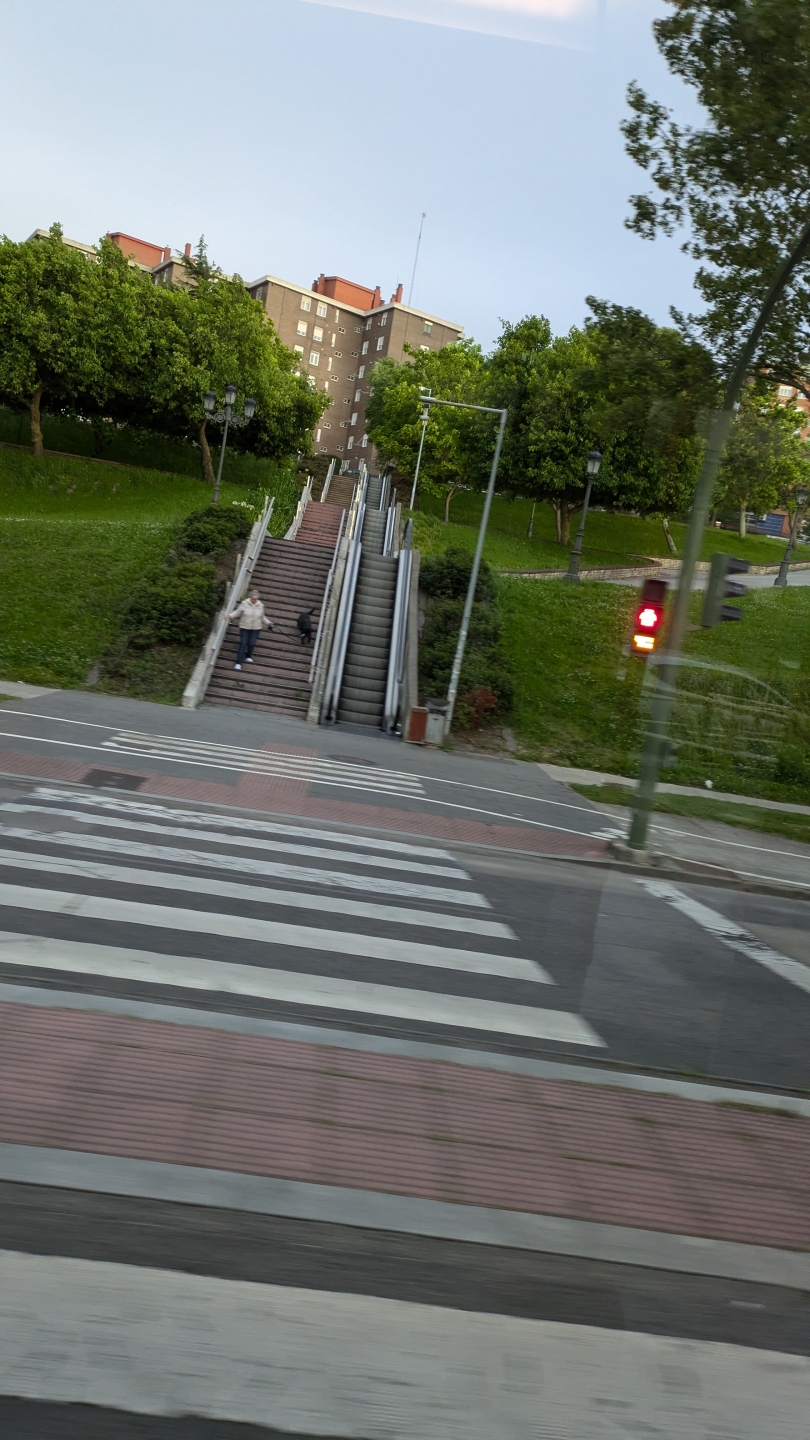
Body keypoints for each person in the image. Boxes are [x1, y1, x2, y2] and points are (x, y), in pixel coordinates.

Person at [228, 590, 273, 670]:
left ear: (258, 598)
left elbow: (262, 617)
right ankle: (238, 663)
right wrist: (230, 616)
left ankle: (248, 655)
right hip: (245, 627)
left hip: (256, 628)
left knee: (251, 643)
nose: (254, 600)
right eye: (253, 599)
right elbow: (237, 612)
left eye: (255, 599)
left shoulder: (261, 606)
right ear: (250, 597)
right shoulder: (244, 603)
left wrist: (269, 623)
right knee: (243, 644)